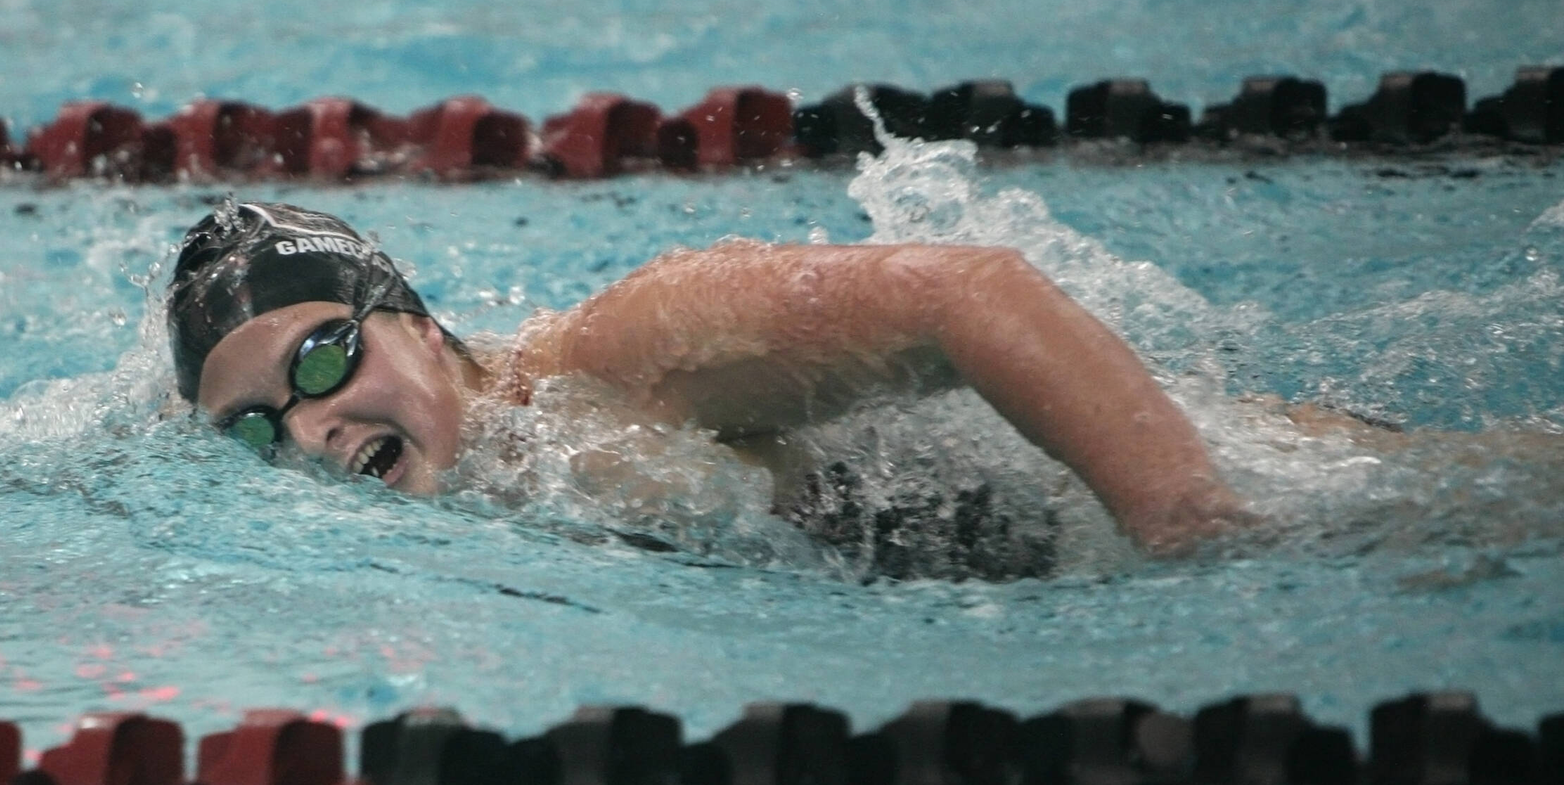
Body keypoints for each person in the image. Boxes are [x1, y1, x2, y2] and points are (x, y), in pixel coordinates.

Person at [167, 200, 1250, 574]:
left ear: (418, 324)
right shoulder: (478, 484)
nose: (309, 430)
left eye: (322, 359)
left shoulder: (612, 362)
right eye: (257, 427)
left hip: (1246, 502)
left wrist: (1190, 528)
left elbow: (964, 290)